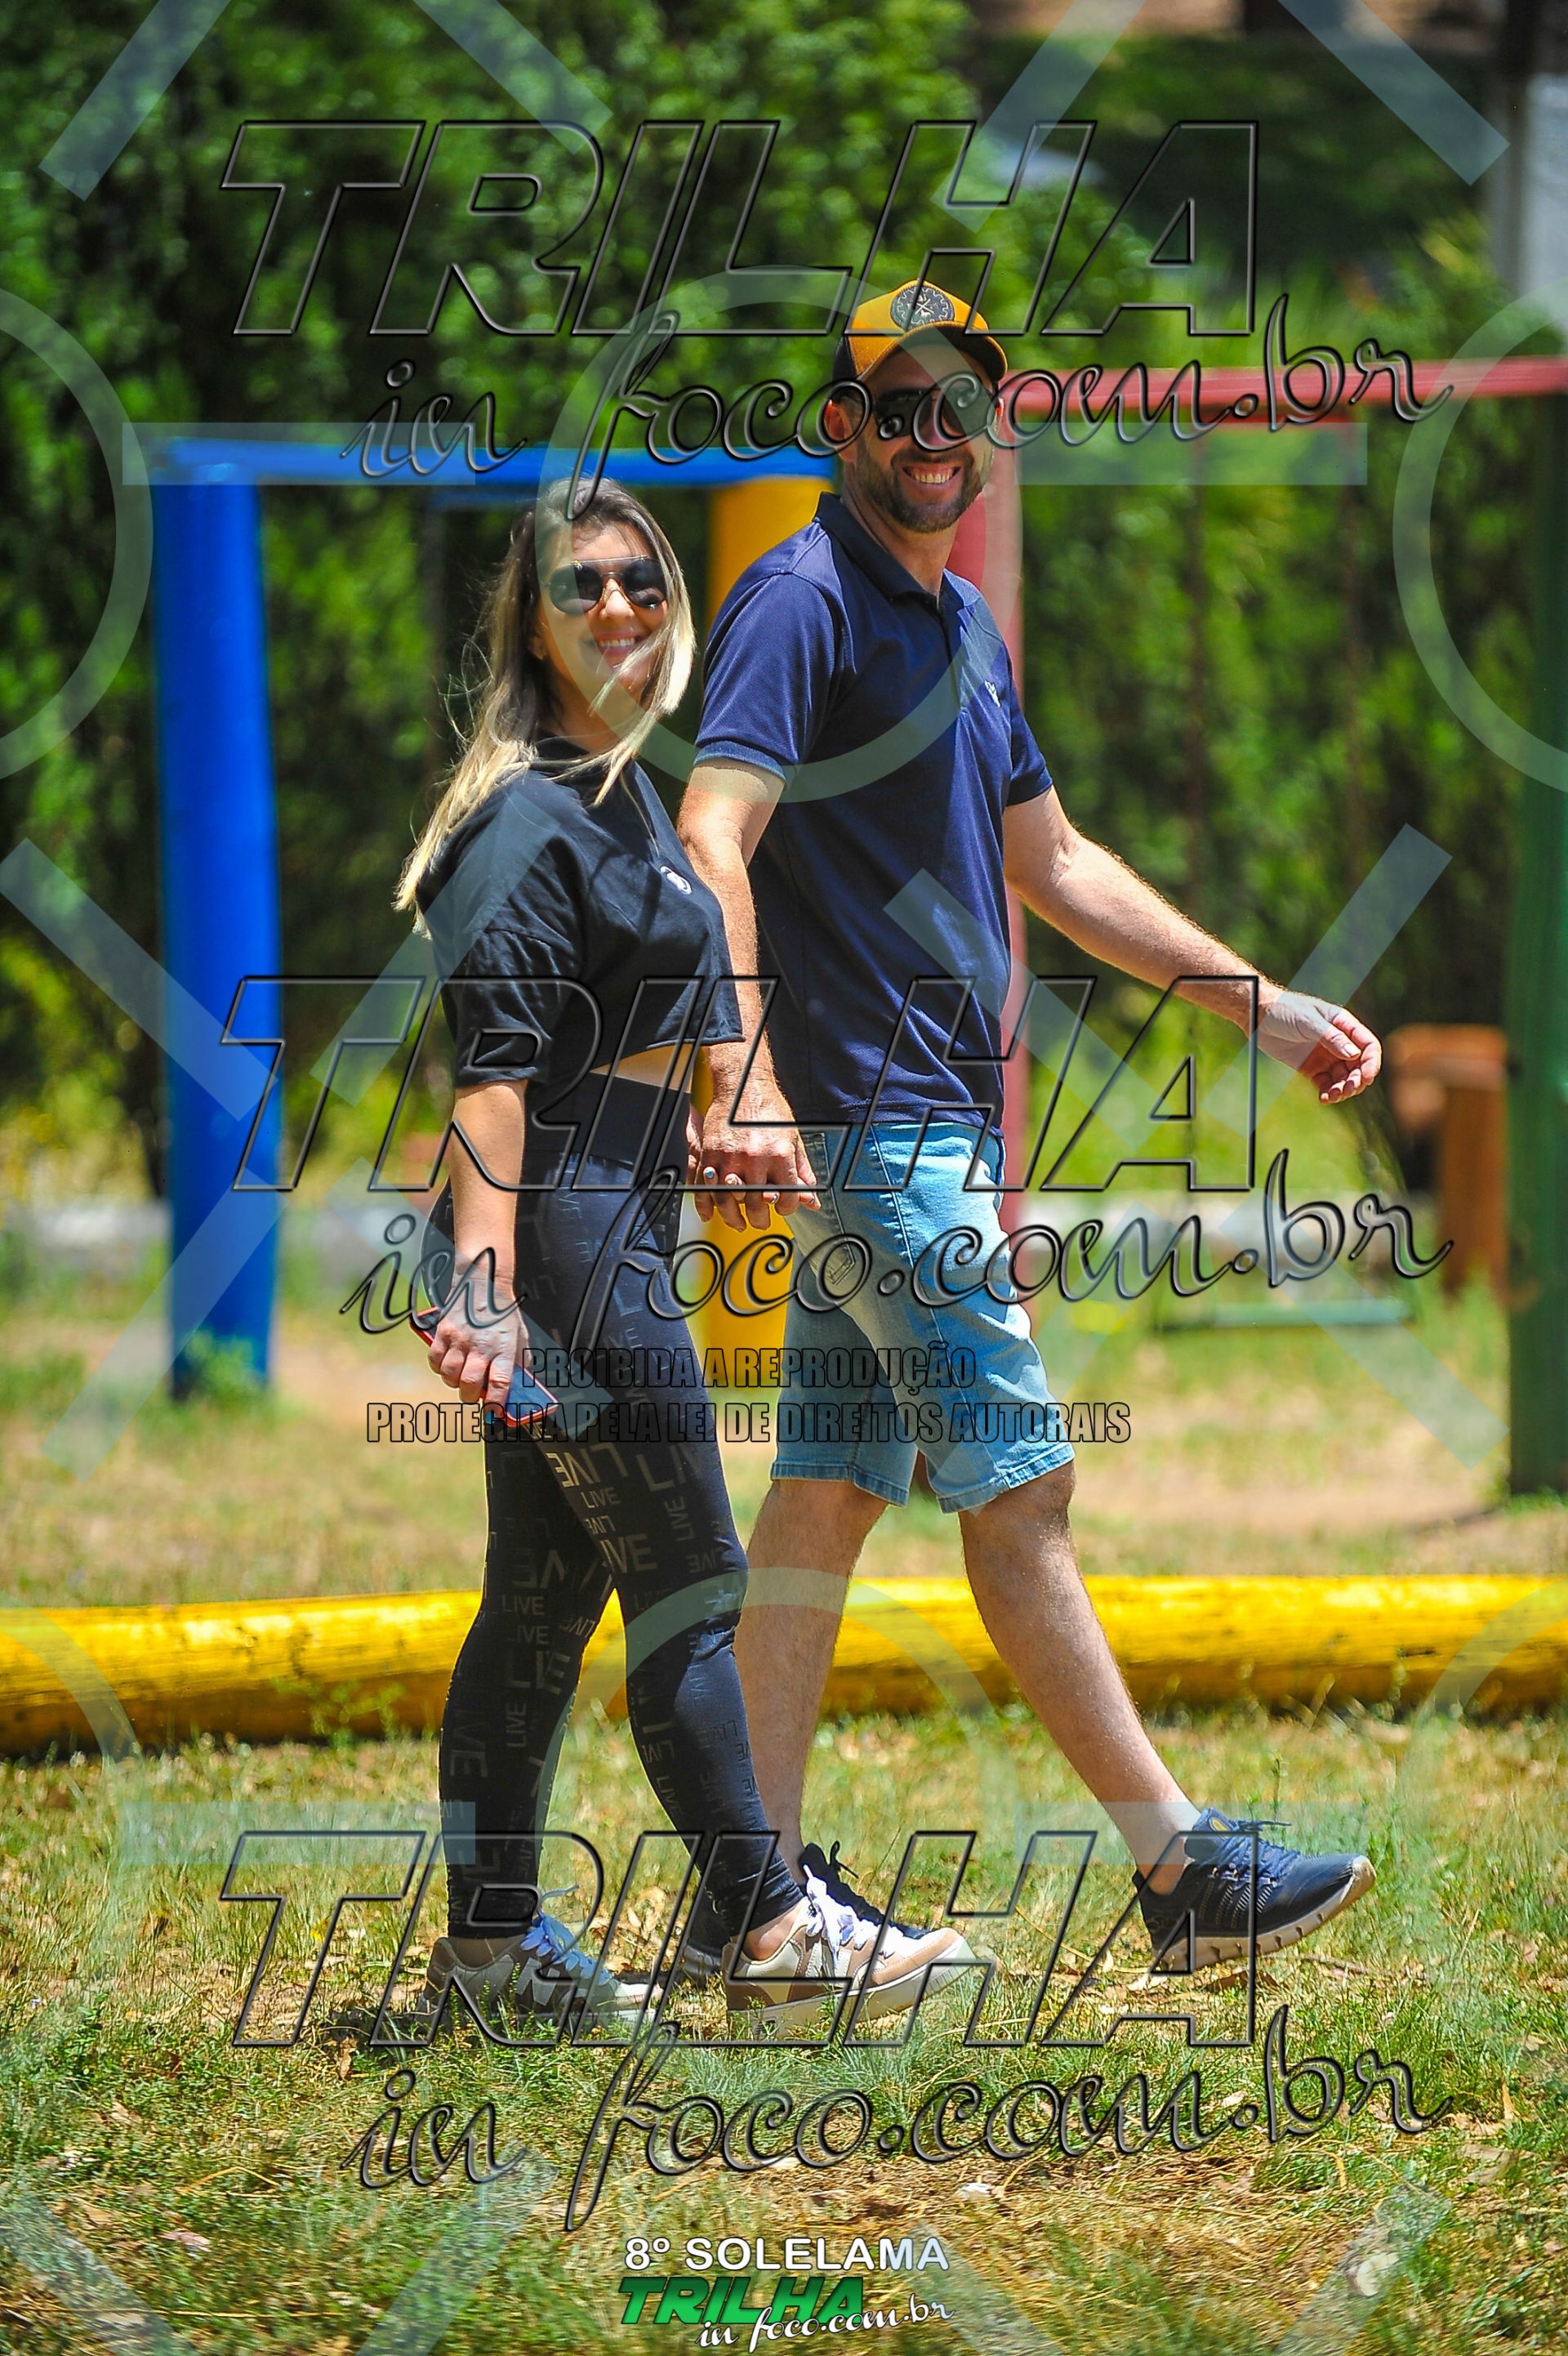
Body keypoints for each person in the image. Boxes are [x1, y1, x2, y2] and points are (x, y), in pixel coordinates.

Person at [677, 280, 1380, 1977]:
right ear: (841, 429)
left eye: (962, 406)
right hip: (860, 1124)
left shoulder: (963, 628)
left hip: (919, 1125)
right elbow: (711, 835)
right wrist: (737, 1076)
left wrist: (1261, 1004)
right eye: (899, 406)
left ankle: (747, 1903)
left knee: (827, 1495)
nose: (936, 435)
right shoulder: (802, 601)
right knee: (1025, 1481)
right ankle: (1179, 1869)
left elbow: (1053, 864)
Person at [394, 478, 965, 2032]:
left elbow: (649, 1030)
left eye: (643, 583)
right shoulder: (523, 817)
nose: (619, 608)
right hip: (571, 1241)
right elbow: (496, 1080)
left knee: (539, 1602)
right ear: (530, 623)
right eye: (580, 585)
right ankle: (772, 1935)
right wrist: (483, 1287)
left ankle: (491, 1957)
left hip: (620, 1214)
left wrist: (721, 1123)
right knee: (695, 1590)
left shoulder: (623, 802)